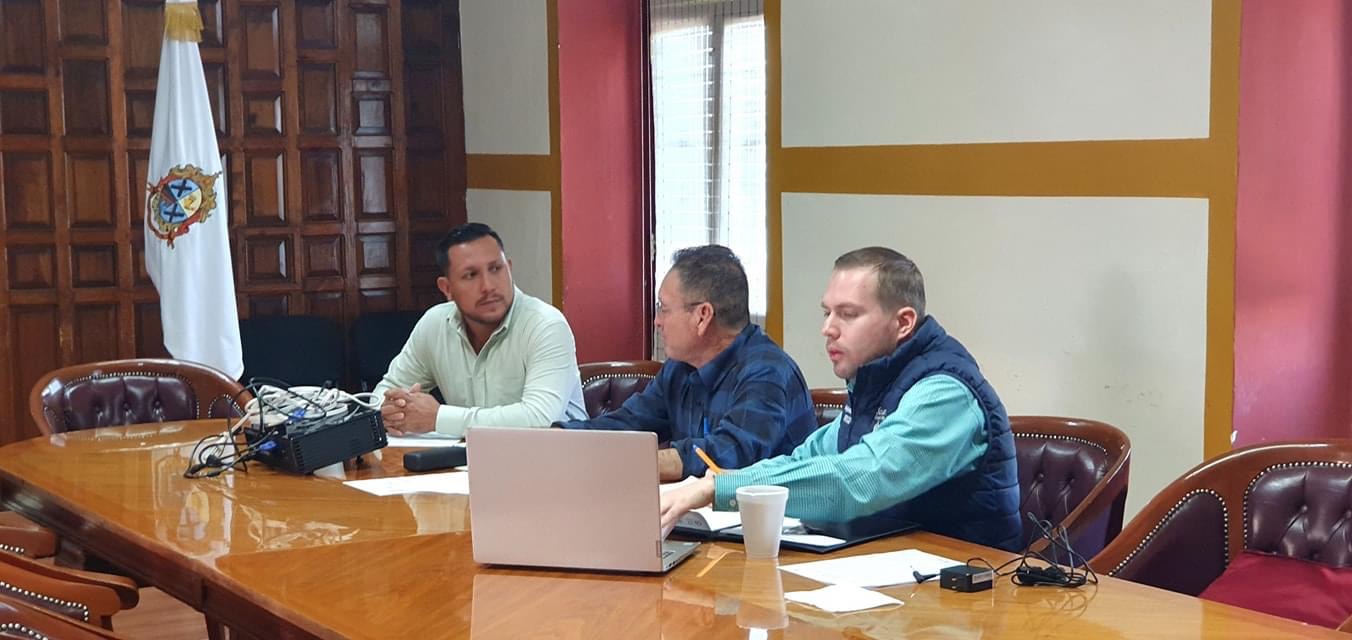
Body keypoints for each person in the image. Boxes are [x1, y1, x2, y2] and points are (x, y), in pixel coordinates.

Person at [659, 247, 1022, 551]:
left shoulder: (946, 394)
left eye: (847, 314)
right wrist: (725, 479)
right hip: (890, 582)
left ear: (904, 323)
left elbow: (855, 480)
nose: (827, 328)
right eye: (827, 312)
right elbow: (808, 458)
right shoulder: (874, 382)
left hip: (971, 596)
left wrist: (717, 488)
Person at [559, 245, 816, 482]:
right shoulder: (680, 367)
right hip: (697, 512)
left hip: (770, 516)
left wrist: (634, 461)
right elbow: (628, 425)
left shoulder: (766, 373)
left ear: (702, 316)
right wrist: (553, 440)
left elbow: (729, 457)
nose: (657, 321)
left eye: (664, 308)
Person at [376, 223, 587, 437]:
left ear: (509, 269)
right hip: (467, 455)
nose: (488, 286)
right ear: (447, 288)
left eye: (495, 269)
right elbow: (385, 392)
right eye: (471, 275)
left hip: (556, 455)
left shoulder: (545, 325)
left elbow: (541, 419)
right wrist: (392, 411)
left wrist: (437, 418)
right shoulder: (435, 324)